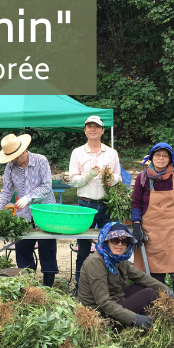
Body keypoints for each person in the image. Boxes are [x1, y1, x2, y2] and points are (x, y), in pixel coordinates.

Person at [131, 142, 174, 322]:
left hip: (173, 230)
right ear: (151, 157)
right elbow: (136, 203)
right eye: (157, 155)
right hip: (151, 230)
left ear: (170, 159)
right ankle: (161, 309)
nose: (160, 159)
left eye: (164, 156)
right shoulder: (142, 178)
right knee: (154, 273)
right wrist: (136, 225)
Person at [77, 222, 169, 330]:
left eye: (124, 241)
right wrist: (134, 318)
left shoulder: (117, 259)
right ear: (106, 241)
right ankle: (132, 326)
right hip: (100, 317)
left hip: (115, 303)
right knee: (149, 294)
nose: (120, 244)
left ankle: (144, 323)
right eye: (115, 240)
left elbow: (141, 277)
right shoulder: (96, 262)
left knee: (145, 286)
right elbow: (103, 303)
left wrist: (168, 292)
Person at [0, 133, 58, 287]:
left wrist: (29, 197)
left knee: (47, 255)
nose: (12, 161)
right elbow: (7, 190)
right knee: (23, 254)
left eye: (15, 157)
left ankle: (47, 290)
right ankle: (29, 289)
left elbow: (46, 186)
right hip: (23, 217)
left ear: (23, 151)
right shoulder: (10, 167)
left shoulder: (40, 161)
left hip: (45, 215)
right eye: (10, 158)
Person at [68, 115, 122, 286]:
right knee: (83, 250)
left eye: (96, 127)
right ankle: (81, 286)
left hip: (107, 205)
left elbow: (119, 177)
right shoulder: (77, 152)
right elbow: (73, 180)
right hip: (85, 205)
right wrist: (88, 175)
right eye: (89, 126)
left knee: (112, 247)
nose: (93, 129)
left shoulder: (112, 153)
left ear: (102, 130)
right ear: (85, 130)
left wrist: (112, 178)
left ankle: (112, 286)